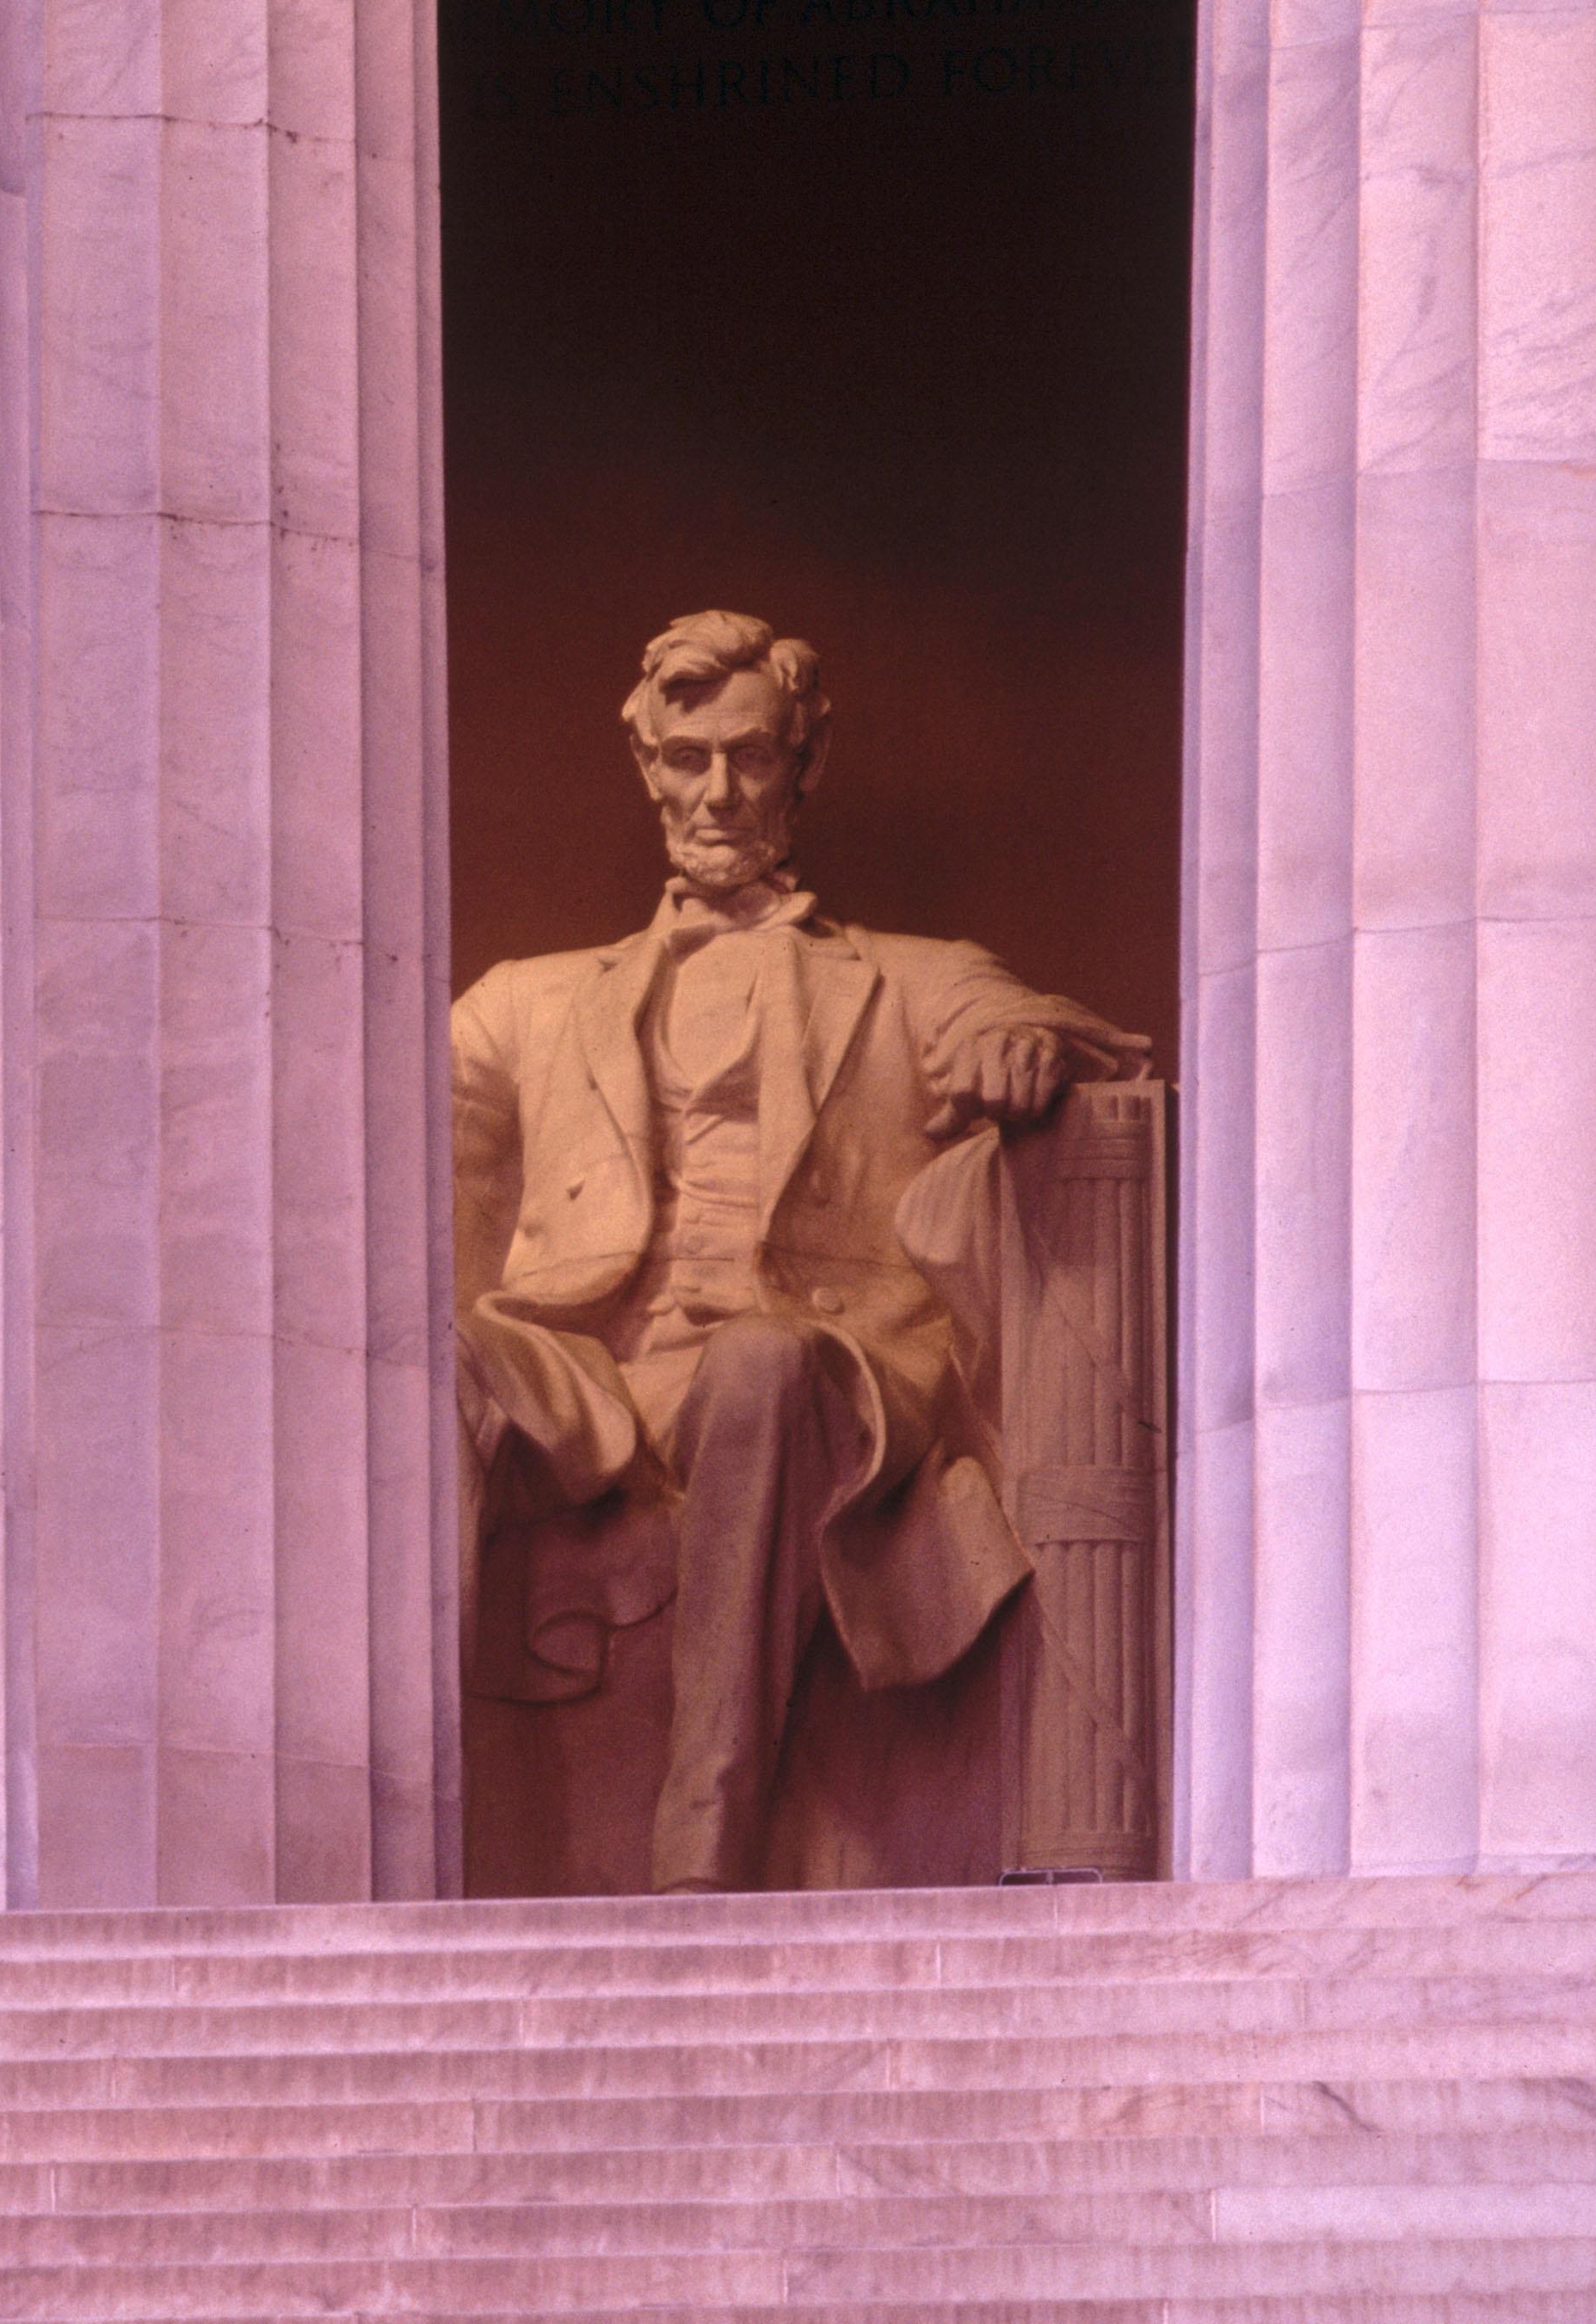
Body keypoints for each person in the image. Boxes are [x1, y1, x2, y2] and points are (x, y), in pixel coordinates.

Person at [450, 611, 1149, 1892]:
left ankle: (700, 1845)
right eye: (687, 758)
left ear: (801, 764)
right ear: (648, 767)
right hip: (593, 1377)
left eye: (751, 756)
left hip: (821, 1374)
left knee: (761, 1365)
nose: (717, 792)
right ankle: (392, 1836)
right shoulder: (522, 1003)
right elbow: (387, 1167)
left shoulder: (911, 976)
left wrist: (1019, 1043)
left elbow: (1046, 1021)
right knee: (424, 1355)